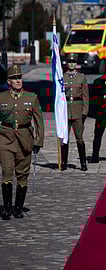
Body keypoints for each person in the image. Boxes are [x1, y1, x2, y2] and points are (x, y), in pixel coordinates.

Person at [0, 65, 44, 220]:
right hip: (5, 139)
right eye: (14, 78)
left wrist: (39, 140)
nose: (18, 80)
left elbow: (39, 121)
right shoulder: (2, 98)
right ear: (9, 81)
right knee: (6, 172)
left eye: (19, 77)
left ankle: (18, 208)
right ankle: (6, 208)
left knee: (22, 175)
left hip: (25, 139)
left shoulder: (31, 97)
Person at [62, 53, 89, 171]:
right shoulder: (62, 77)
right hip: (65, 111)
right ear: (67, 63)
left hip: (78, 111)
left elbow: (86, 97)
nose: (71, 64)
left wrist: (85, 112)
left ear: (76, 64)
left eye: (73, 62)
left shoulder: (81, 77)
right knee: (65, 139)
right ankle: (64, 162)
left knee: (79, 138)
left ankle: (83, 163)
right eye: (69, 62)